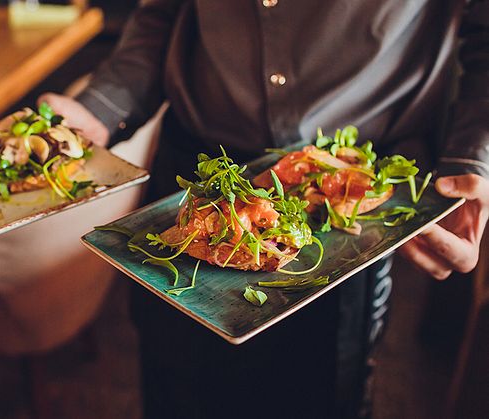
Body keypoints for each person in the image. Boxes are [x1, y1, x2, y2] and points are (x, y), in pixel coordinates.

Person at [40, 1, 489, 417]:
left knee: (318, 393)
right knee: (174, 386)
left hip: (349, 204)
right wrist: (102, 107)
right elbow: (164, 11)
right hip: (197, 176)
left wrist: (471, 162)